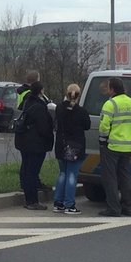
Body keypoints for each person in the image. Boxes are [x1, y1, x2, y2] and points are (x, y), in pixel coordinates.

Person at [98, 77, 131, 217]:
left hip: (112, 146)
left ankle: (113, 208)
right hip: (127, 147)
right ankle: (127, 206)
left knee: (110, 178)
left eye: (108, 87)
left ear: (112, 89)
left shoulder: (110, 104)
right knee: (125, 177)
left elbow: (104, 126)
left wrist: (103, 140)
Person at [15, 81, 54, 210]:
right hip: (35, 144)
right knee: (32, 172)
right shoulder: (39, 106)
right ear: (41, 91)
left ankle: (28, 199)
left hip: (23, 141)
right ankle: (32, 201)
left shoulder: (26, 102)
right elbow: (43, 128)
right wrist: (50, 136)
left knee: (26, 170)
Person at [53, 83, 91, 214]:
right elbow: (87, 126)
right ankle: (69, 204)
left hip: (60, 145)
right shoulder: (81, 112)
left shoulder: (59, 108)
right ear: (78, 95)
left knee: (62, 173)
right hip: (75, 147)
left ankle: (58, 202)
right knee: (72, 175)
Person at [16, 69, 49, 190]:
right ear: (37, 81)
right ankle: (30, 185)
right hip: (30, 132)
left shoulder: (21, 92)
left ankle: (27, 184)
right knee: (30, 164)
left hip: (23, 131)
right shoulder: (29, 95)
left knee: (26, 162)